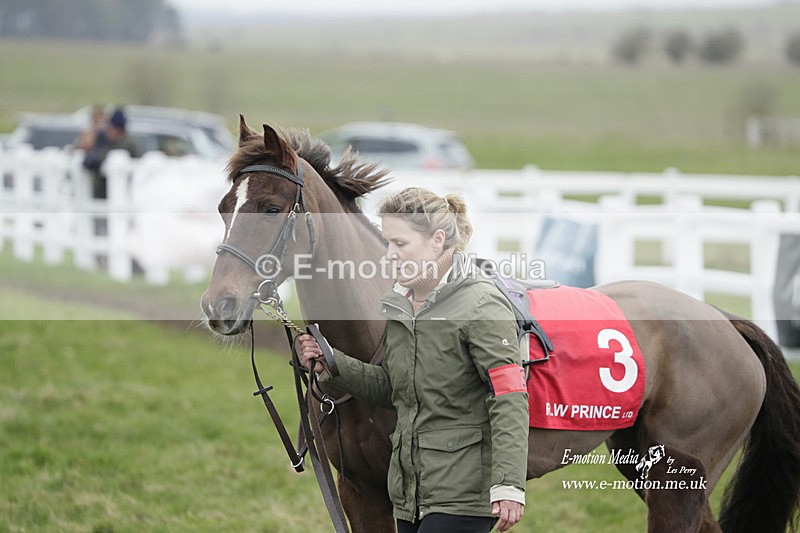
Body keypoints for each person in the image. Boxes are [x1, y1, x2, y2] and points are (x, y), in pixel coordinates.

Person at [298, 187, 529, 533]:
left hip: (461, 496)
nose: (389, 255)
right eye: (387, 242)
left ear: (437, 241)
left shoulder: (481, 305)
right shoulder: (401, 305)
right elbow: (392, 386)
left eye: (400, 244)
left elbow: (509, 397)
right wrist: (332, 365)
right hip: (410, 494)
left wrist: (510, 485)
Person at [82, 107, 141, 198]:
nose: (107, 129)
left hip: (118, 194)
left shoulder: (127, 144)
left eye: (110, 127)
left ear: (117, 129)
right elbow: (89, 161)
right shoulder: (107, 141)